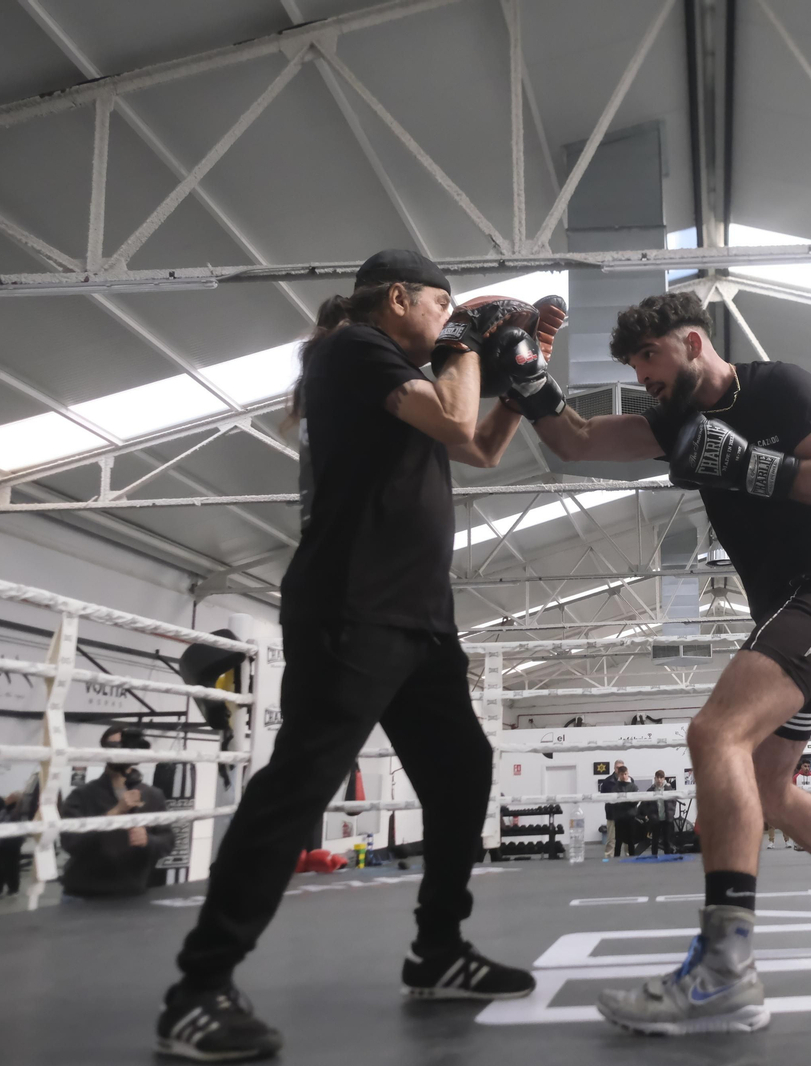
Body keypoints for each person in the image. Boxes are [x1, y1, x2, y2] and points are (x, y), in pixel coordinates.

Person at [158, 251, 547, 1061]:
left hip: (418, 618)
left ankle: (438, 951)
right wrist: (466, 343)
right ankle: (198, 989)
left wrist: (519, 382)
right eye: (440, 304)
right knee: (298, 787)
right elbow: (455, 420)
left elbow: (478, 447)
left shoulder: (407, 377)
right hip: (353, 607)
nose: (448, 318)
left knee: (462, 771)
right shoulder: (353, 349)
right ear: (398, 297)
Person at [516, 291, 811, 1034]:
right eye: (632, 364)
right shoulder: (672, 421)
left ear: (693, 342)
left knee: (715, 734)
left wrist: (748, 466)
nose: (641, 376)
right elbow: (574, 441)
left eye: (649, 357)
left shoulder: (781, 387)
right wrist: (526, 377)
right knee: (769, 789)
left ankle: (724, 971)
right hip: (783, 611)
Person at [60, 727, 175, 897]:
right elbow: (69, 842)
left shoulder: (153, 795)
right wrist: (114, 813)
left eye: (125, 745)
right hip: (84, 893)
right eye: (114, 745)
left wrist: (148, 840)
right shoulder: (82, 795)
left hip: (133, 892)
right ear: (104, 750)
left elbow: (168, 842)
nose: (120, 750)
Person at [0, 791, 26, 898]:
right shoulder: (5, 810)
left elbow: (6, 824)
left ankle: (13, 889)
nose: (6, 798)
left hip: (12, 842)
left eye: (9, 797)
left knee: (11, 867)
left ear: (15, 799)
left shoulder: (18, 812)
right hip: (2, 842)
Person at [607, 766, 643, 857]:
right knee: (618, 840)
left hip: (631, 817)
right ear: (619, 775)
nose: (624, 776)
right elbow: (614, 802)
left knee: (631, 839)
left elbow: (635, 801)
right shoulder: (615, 787)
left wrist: (624, 803)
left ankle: (632, 858)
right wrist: (627, 802)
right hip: (619, 817)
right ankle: (616, 858)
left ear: (628, 773)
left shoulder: (634, 787)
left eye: (625, 774)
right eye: (622, 774)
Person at [600, 758, 629, 860]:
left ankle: (629, 856)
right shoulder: (607, 782)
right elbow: (603, 797)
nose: (619, 769)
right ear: (614, 768)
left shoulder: (630, 781)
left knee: (627, 838)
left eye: (621, 767)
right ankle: (609, 857)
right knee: (611, 839)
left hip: (626, 815)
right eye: (617, 767)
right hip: (612, 814)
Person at [646, 771, 678, 856]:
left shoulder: (669, 789)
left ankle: (667, 857)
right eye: (657, 778)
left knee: (667, 840)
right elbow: (646, 804)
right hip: (655, 819)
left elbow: (674, 802)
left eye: (661, 778)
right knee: (655, 840)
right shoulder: (650, 790)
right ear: (655, 778)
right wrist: (650, 815)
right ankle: (654, 857)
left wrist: (671, 813)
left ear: (664, 778)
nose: (659, 780)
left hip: (667, 819)